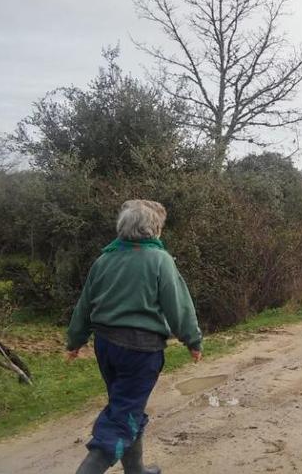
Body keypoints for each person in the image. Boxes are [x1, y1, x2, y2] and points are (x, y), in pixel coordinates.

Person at [66, 200, 203, 474]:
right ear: (153, 229)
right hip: (140, 351)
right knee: (122, 416)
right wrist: (192, 339)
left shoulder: (105, 258)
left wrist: (75, 340)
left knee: (127, 408)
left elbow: (85, 304)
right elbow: (178, 304)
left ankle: (136, 471)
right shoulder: (159, 259)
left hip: (105, 347)